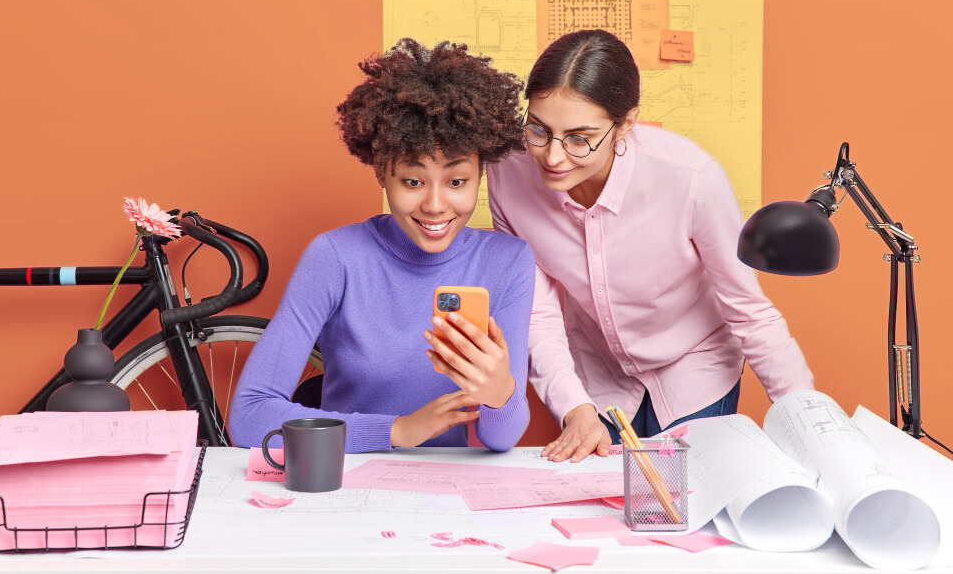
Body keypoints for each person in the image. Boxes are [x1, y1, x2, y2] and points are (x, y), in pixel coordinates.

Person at [486, 29, 814, 462]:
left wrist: (812, 427)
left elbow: (749, 312)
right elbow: (538, 313)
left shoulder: (692, 179)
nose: (553, 157)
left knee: (687, 505)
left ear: (626, 124)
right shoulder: (507, 175)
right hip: (597, 377)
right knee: (606, 512)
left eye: (580, 138)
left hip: (696, 368)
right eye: (539, 130)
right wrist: (574, 406)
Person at [230, 38, 534, 453]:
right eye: (412, 181)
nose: (434, 205)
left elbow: (501, 439)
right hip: (348, 485)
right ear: (381, 173)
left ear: (480, 175)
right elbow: (249, 418)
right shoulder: (335, 258)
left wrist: (502, 392)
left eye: (457, 181)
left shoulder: (508, 262)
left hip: (450, 496)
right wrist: (398, 431)